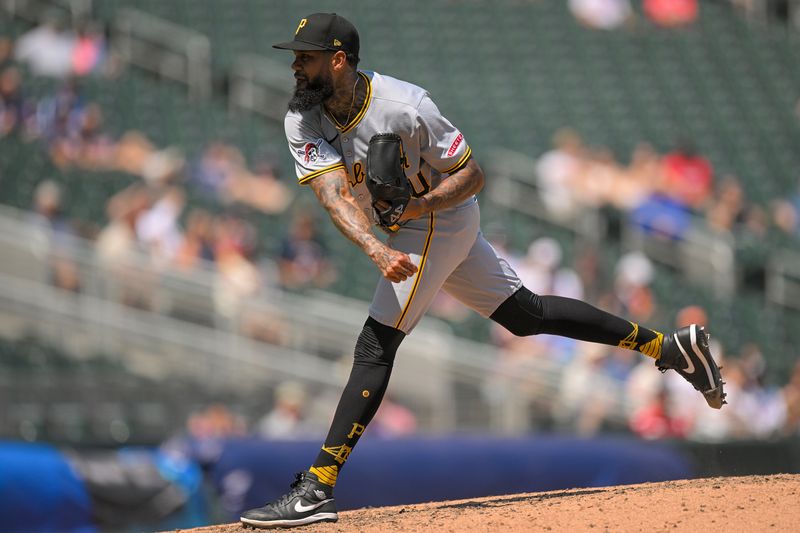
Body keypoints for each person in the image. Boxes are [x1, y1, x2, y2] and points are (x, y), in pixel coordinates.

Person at [240, 13, 725, 529]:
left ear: (338, 60)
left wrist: (416, 210)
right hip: (405, 230)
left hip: (438, 218)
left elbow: (472, 175)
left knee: (376, 344)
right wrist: (377, 250)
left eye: (305, 56)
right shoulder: (303, 115)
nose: (294, 65)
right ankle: (666, 347)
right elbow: (334, 197)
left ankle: (317, 486)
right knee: (526, 315)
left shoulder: (405, 105)